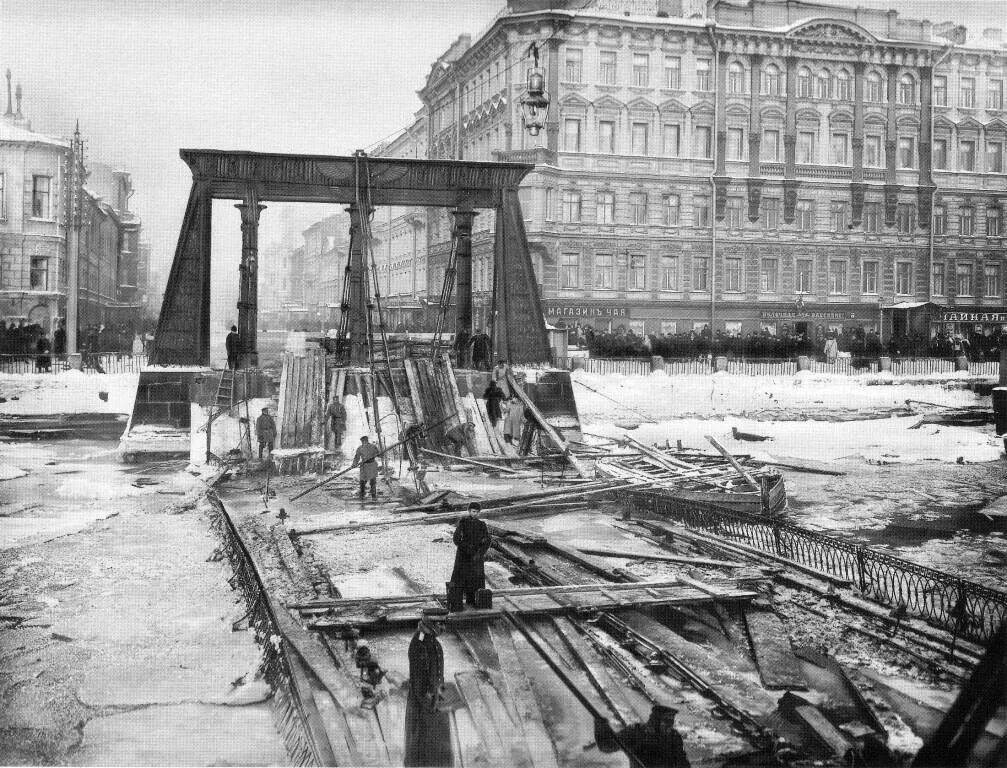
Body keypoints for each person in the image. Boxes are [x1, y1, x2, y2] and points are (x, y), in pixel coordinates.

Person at [404, 607, 453, 767]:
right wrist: (432, 707)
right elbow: (419, 685)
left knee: (439, 749)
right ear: (430, 623)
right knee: (422, 749)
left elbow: (438, 675)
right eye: (440, 624)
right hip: (424, 707)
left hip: (435, 700)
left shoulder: (432, 641)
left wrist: (444, 699)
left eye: (444, 624)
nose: (443, 628)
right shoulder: (419, 644)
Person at [594, 705, 690, 768]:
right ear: (655, 720)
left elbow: (682, 763)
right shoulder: (636, 732)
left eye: (671, 721)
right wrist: (600, 727)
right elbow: (606, 746)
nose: (670, 725)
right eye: (667, 721)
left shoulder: (674, 737)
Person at [450, 503, 491, 608]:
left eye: (477, 512)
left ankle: (472, 601)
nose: (475, 514)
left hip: (476, 557)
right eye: (473, 511)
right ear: (469, 511)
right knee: (460, 578)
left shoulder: (482, 525)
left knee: (475, 579)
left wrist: (480, 553)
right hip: (463, 556)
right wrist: (466, 549)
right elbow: (456, 539)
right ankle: (456, 602)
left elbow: (487, 540)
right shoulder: (463, 523)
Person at [351, 435, 381, 500]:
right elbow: (357, 457)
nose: (363, 443)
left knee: (372, 482)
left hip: (372, 465)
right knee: (362, 482)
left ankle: (373, 496)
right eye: (362, 442)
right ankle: (362, 495)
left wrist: (380, 453)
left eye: (364, 441)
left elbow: (379, 454)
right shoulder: (360, 448)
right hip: (364, 466)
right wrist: (354, 464)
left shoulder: (373, 447)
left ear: (366, 441)